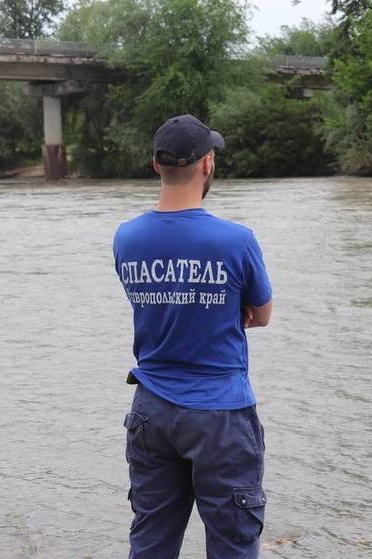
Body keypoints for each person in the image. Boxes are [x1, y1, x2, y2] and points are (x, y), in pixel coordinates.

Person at [112, 114, 273, 559]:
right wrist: (223, 308)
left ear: (155, 165)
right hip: (220, 414)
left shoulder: (126, 238)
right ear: (207, 165)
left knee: (151, 540)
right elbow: (261, 314)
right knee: (233, 544)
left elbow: (153, 304)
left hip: (150, 408)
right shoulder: (236, 240)